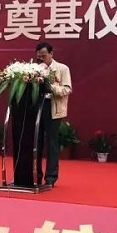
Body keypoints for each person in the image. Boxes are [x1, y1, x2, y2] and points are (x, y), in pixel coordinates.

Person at [35, 41, 72, 188]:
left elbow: (67, 89)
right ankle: (35, 175)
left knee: (51, 143)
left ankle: (51, 177)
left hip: (53, 107)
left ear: (51, 53)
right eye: (39, 56)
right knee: (36, 142)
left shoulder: (62, 68)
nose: (41, 59)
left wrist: (51, 88)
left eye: (44, 56)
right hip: (37, 108)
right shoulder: (35, 69)